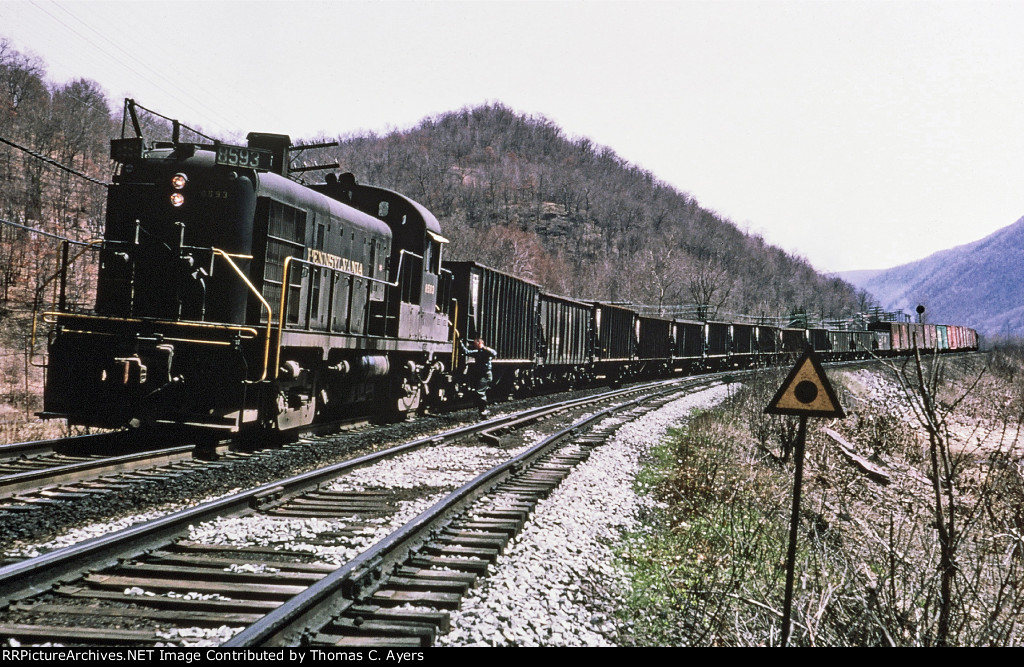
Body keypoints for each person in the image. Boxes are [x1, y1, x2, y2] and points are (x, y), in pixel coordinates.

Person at [461, 337, 497, 415]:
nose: (474, 345)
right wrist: (460, 343)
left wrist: (484, 348)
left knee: (480, 392)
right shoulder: (477, 352)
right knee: (478, 392)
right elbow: (466, 352)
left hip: (486, 375)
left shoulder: (486, 351)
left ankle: (483, 411)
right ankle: (482, 410)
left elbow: (494, 353)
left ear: (479, 343)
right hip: (480, 374)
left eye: (475, 344)